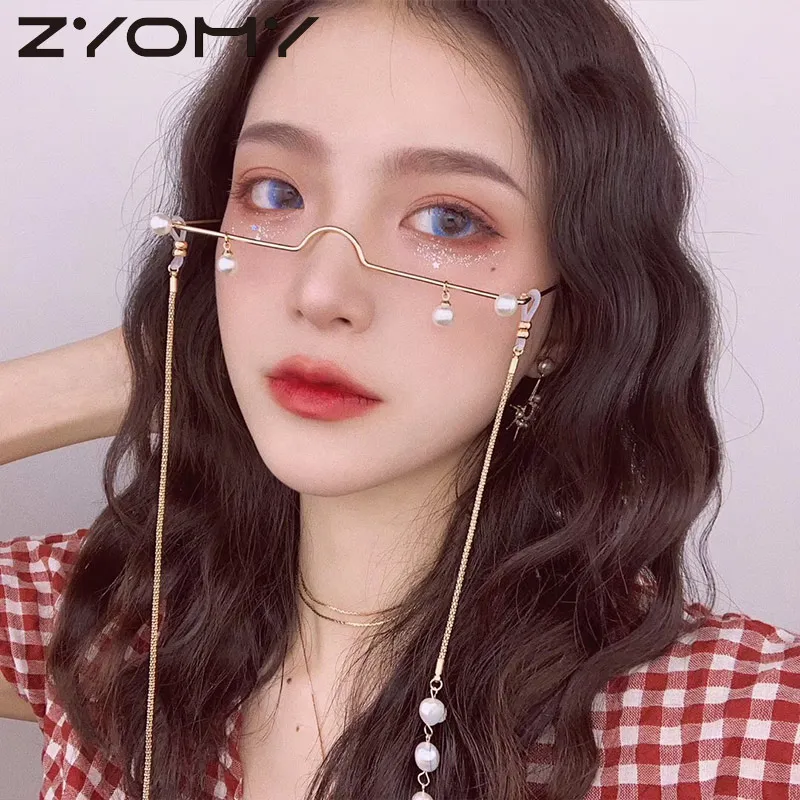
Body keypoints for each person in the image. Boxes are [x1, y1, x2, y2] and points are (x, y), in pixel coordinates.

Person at [1, 0, 798, 799]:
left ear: (569, 315)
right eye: (275, 192)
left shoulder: (740, 731)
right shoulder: (120, 619)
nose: (321, 292)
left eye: (449, 220)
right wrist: (131, 363)